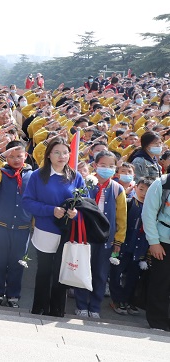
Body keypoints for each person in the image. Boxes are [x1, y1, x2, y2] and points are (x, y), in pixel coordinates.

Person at [22, 137, 81, 317]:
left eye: (65, 152)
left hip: (66, 233)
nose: (61, 156)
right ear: (48, 155)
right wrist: (50, 210)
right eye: (57, 152)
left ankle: (57, 310)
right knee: (45, 272)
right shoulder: (37, 176)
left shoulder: (75, 177)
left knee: (61, 273)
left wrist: (76, 213)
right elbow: (27, 202)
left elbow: (85, 204)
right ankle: (39, 308)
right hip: (46, 230)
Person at [74, 150, 126, 319]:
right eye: (103, 165)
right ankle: (81, 304)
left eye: (111, 166)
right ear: (95, 165)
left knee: (101, 273)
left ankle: (95, 306)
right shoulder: (86, 183)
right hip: (84, 235)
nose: (107, 169)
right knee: (83, 270)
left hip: (106, 239)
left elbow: (121, 218)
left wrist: (118, 240)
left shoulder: (117, 189)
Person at [0, 140, 34, 307]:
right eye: (11, 156)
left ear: (26, 156)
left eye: (19, 156)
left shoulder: (32, 175)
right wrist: (1, 156)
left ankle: (13, 294)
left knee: (18, 263)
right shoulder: (1, 172)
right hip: (0, 226)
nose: (15, 160)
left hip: (22, 228)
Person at [109, 176, 152, 316]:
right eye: (141, 189)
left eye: (148, 191)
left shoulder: (152, 208)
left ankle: (127, 300)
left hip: (139, 248)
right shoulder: (128, 203)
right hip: (122, 246)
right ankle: (116, 299)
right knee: (116, 273)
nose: (144, 193)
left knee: (133, 277)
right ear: (135, 188)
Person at [141, 174, 170, 331]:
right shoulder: (162, 183)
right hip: (163, 241)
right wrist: (154, 242)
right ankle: (157, 321)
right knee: (161, 282)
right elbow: (148, 214)